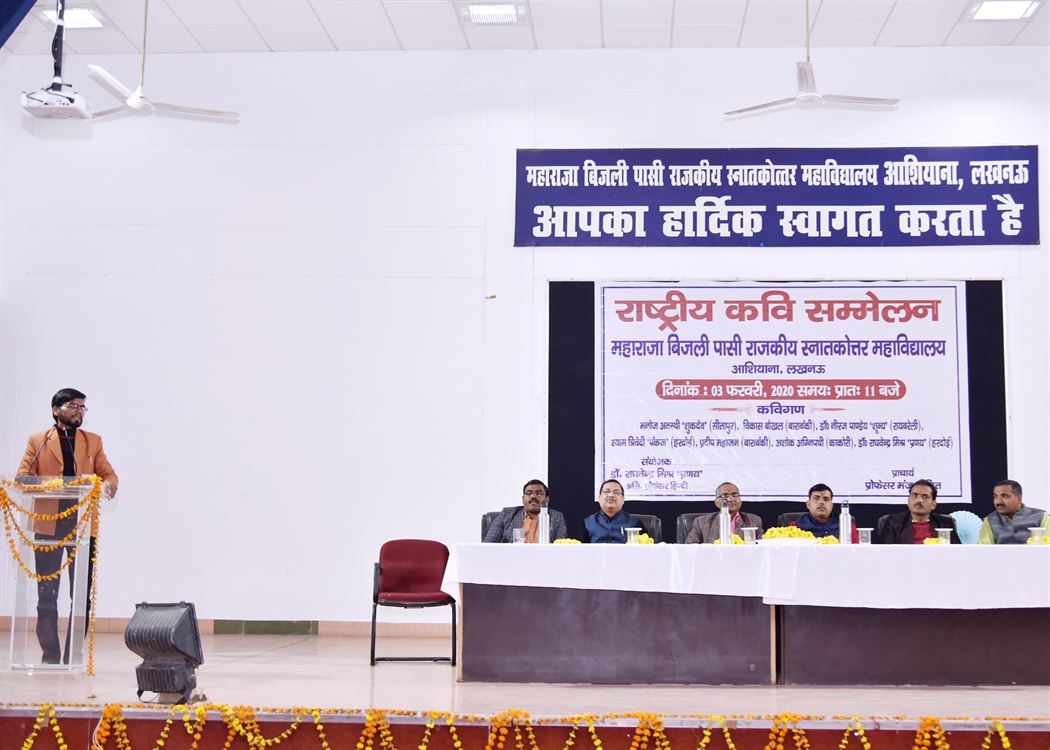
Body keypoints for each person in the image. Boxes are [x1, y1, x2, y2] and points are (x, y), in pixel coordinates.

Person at [16, 388, 118, 664]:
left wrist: (108, 485)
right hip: (47, 525)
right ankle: (50, 656)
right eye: (73, 405)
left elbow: (108, 474)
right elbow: (23, 477)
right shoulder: (38, 440)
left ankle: (73, 656)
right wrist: (55, 485)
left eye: (82, 407)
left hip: (82, 526)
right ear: (55, 409)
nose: (79, 411)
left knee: (81, 596)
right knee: (46, 596)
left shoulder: (93, 441)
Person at [483, 479, 568, 543]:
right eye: (529, 493)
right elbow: (488, 545)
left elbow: (560, 549)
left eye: (539, 493)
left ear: (547, 499)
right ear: (523, 499)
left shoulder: (557, 517)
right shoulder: (506, 514)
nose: (533, 496)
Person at [877, 479, 959, 544]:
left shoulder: (945, 523)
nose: (919, 500)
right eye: (914, 495)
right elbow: (884, 553)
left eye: (925, 497)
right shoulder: (893, 522)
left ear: (933, 504)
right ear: (908, 501)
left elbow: (958, 552)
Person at [685, 482, 764, 544]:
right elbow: (689, 548)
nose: (730, 499)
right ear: (716, 502)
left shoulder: (754, 520)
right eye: (724, 496)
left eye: (735, 495)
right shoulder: (702, 522)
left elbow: (761, 548)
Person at [978, 480, 1050, 544]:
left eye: (1005, 496)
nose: (998, 501)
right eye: (995, 496)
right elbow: (984, 550)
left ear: (1019, 499)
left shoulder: (1041, 516)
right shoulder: (990, 520)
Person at [789, 483, 858, 542]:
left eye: (826, 499)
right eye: (816, 498)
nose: (821, 502)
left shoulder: (846, 524)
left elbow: (856, 549)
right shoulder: (795, 526)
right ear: (808, 504)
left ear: (832, 505)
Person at [583, 479, 645, 543]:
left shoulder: (635, 523)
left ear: (623, 499)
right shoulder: (588, 523)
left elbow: (647, 547)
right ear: (599, 497)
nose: (611, 495)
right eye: (606, 492)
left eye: (616, 493)